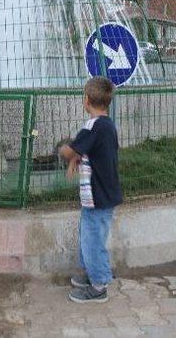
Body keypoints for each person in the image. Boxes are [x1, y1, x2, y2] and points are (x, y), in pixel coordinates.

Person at [59, 76, 123, 304]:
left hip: (98, 196)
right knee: (89, 237)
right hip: (100, 196)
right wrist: (78, 158)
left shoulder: (93, 126)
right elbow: (93, 152)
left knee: (92, 241)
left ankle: (99, 286)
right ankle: (91, 274)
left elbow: (71, 150)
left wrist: (64, 150)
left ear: (86, 100)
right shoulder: (107, 125)